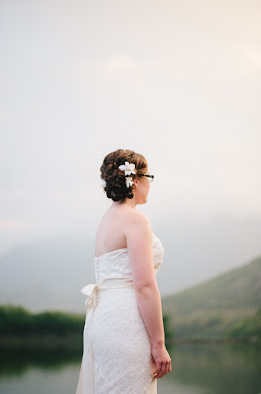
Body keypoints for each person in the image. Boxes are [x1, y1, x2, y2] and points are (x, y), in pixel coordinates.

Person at [75, 149, 172, 394]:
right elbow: (145, 286)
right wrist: (159, 345)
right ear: (136, 180)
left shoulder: (106, 220)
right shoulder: (135, 220)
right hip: (127, 321)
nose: (150, 184)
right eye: (148, 177)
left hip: (103, 317)